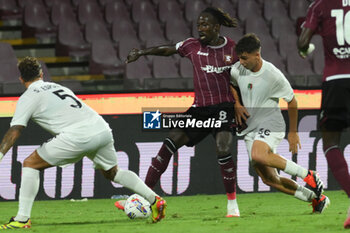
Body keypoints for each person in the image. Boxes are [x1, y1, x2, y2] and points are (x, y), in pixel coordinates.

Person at [0, 57, 166, 229]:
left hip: (78, 136)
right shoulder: (58, 87)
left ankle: (22, 219)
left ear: (21, 79)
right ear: (42, 74)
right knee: (113, 173)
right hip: (101, 129)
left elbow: (15, 130)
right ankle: (155, 200)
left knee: (30, 164)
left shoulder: (28, 97)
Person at [118, 7, 240, 217]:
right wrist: (142, 52)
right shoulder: (192, 45)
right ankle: (142, 197)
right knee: (168, 144)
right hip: (199, 110)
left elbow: (243, 79)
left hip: (224, 109)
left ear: (217, 27)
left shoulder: (232, 49)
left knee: (222, 148)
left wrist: (241, 104)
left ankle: (232, 205)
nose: (200, 28)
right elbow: (168, 49)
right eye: (199, 24)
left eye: (205, 25)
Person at [230, 33, 329, 213]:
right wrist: (237, 102)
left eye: (244, 58)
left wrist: (293, 132)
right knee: (269, 179)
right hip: (250, 128)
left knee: (259, 155)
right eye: (239, 58)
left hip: (271, 123)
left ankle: (309, 175)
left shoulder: (273, 75)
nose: (241, 62)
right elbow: (229, 83)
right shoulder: (238, 69)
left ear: (257, 56)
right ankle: (316, 198)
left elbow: (292, 101)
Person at [297, 0, 350, 228]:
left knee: (330, 141)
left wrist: (304, 49)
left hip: (336, 81)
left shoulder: (319, 5)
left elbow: (302, 42)